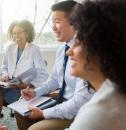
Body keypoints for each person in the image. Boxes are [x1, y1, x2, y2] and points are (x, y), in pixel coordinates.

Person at [15, 1, 93, 130]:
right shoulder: (62, 50)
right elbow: (54, 80)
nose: (53, 28)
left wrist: (44, 113)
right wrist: (35, 92)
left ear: (76, 22)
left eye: (57, 21)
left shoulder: (86, 53)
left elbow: (79, 102)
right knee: (22, 109)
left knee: (35, 129)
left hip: (79, 111)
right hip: (62, 98)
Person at [66, 0, 126, 129]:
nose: (69, 51)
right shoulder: (116, 91)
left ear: (101, 46)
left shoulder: (101, 112)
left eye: (77, 42)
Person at [0, 20, 49, 128]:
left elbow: (43, 75)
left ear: (27, 33)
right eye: (14, 33)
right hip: (11, 85)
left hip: (25, 89)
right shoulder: (10, 48)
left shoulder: (34, 49)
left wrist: (29, 85)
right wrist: (5, 75)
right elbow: (4, 67)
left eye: (20, 32)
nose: (16, 36)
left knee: (21, 103)